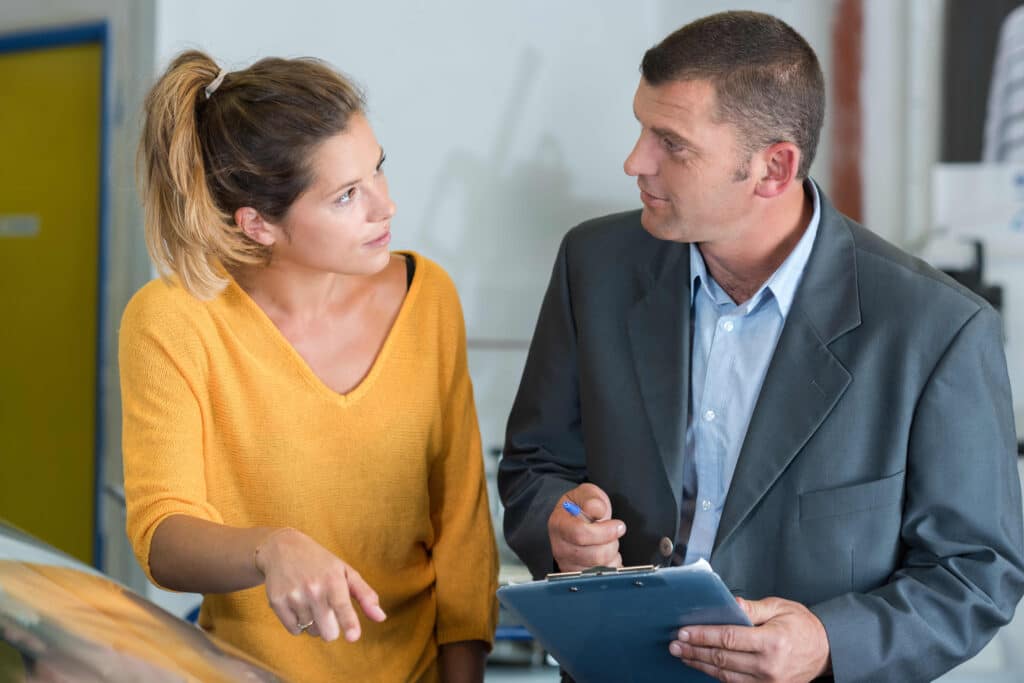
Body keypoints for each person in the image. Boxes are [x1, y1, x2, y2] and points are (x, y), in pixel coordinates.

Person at [499, 10, 1024, 682]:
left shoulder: (937, 330)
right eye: (641, 128)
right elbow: (535, 463)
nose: (635, 161)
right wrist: (559, 522)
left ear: (774, 168)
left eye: (671, 143)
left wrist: (828, 640)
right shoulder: (593, 265)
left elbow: (976, 573)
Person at [120, 50, 498, 683]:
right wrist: (271, 548)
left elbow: (461, 525)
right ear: (259, 224)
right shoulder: (173, 320)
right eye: (347, 196)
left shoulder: (428, 296)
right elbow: (163, 535)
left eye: (378, 171)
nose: (385, 208)